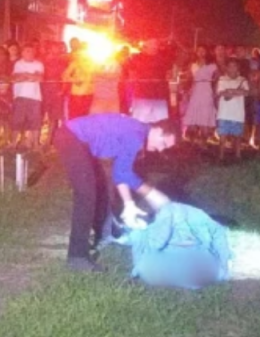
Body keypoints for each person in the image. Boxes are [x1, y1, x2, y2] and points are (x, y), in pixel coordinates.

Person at [55, 113, 179, 272]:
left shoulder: (138, 132)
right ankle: (77, 257)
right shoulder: (136, 135)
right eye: (163, 143)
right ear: (157, 129)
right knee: (86, 195)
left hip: (75, 139)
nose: (161, 150)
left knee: (101, 190)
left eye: (165, 148)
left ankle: (104, 235)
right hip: (71, 137)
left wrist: (141, 198)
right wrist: (137, 201)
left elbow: (121, 173)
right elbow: (122, 174)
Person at [127, 38, 171, 123]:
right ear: (146, 45)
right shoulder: (137, 58)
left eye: (156, 44)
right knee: (140, 120)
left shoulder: (163, 59)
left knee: (159, 122)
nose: (155, 46)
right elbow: (131, 74)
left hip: (159, 95)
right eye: (152, 44)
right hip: (142, 94)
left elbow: (168, 74)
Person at [182, 45, 217, 148]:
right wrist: (186, 90)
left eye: (203, 51)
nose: (201, 53)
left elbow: (218, 78)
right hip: (195, 91)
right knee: (193, 118)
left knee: (205, 116)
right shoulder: (192, 65)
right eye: (199, 51)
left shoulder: (212, 65)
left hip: (207, 91)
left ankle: (204, 142)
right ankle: (192, 141)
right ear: (196, 52)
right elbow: (189, 79)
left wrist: (215, 90)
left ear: (206, 52)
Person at [11, 42, 44, 150]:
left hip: (35, 97)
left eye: (31, 51)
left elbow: (39, 78)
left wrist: (25, 75)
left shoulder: (39, 64)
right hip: (20, 96)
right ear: (22, 53)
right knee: (17, 121)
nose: (30, 53)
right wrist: (31, 75)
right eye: (27, 51)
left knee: (35, 122)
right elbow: (16, 77)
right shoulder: (18, 64)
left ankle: (35, 144)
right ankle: (13, 144)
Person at [216, 59, 249, 161]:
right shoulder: (222, 79)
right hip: (224, 113)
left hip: (237, 113)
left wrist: (230, 91)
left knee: (238, 137)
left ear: (238, 67)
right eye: (230, 66)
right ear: (226, 68)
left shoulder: (243, 80)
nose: (232, 68)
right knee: (223, 137)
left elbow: (246, 93)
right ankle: (221, 156)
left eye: (234, 66)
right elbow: (221, 93)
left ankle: (237, 156)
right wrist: (238, 92)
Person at [63, 41, 95, 119]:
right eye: (82, 50)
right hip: (77, 95)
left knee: (86, 117)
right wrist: (73, 80)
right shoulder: (75, 63)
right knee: (75, 117)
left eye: (86, 50)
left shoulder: (93, 63)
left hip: (89, 94)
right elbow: (64, 75)